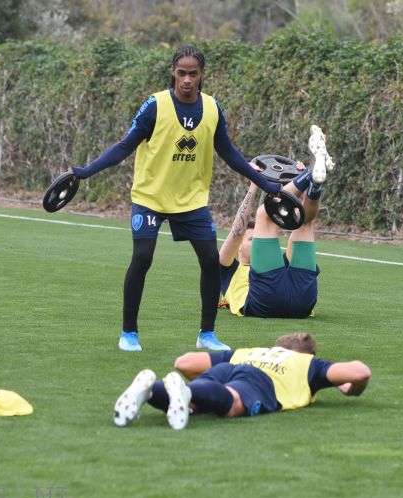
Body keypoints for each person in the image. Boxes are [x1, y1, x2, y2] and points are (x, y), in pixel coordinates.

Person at [70, 45, 281, 353]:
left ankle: (206, 334)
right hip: (150, 197)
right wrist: (86, 172)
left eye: (193, 74)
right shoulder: (155, 106)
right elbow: (124, 146)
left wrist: (265, 183)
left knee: (211, 261)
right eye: (181, 73)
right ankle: (129, 333)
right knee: (142, 258)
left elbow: (230, 153)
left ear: (202, 75)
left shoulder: (211, 108)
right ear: (173, 72)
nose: (186, 79)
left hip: (191, 201)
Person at [112, 332, 371, 430]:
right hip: (260, 383)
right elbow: (360, 372)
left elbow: (184, 363)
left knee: (194, 398)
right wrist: (343, 386)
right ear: (307, 354)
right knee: (233, 404)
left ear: (276, 346)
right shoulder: (308, 365)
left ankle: (150, 390)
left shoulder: (249, 351)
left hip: (231, 366)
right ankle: (187, 393)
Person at [217, 125, 335, 318]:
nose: (256, 240)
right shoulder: (226, 270)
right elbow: (237, 231)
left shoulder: (280, 264)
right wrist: (254, 184)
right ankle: (309, 174)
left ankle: (314, 181)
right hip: (265, 301)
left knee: (302, 222)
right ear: (238, 249)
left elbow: (296, 212)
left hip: (303, 303)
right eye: (251, 239)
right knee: (265, 213)